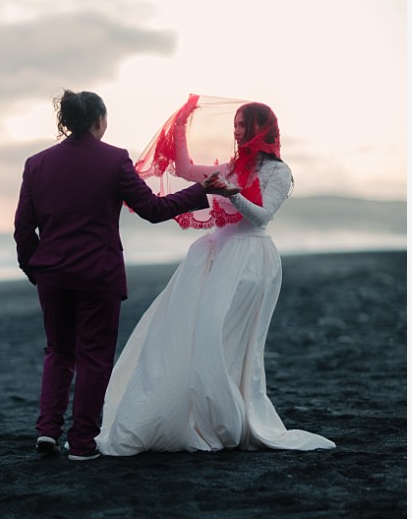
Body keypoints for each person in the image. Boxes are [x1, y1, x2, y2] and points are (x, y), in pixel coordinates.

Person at [95, 94, 336, 455]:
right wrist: (180, 126)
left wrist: (232, 195)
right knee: (189, 331)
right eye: (235, 125)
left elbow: (262, 215)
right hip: (214, 256)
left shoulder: (278, 173)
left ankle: (226, 415)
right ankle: (196, 412)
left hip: (251, 261)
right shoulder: (229, 167)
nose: (236, 131)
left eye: (242, 125)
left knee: (227, 339)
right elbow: (182, 168)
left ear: (259, 129)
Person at [13, 91, 234, 461]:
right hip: (98, 273)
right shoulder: (114, 160)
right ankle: (82, 443)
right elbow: (151, 209)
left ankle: (48, 430)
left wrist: (33, 267)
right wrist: (201, 191)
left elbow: (23, 227)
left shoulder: (36, 164)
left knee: (58, 350)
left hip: (52, 273)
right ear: (100, 121)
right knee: (94, 358)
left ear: (66, 122)